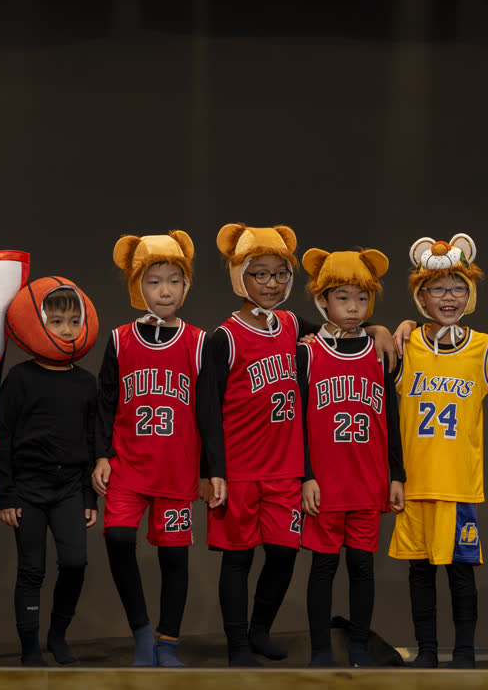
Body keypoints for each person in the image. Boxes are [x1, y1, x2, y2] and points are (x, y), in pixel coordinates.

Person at [200, 224, 403, 667]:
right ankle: (238, 646)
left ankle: (259, 629)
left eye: (280, 274)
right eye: (260, 274)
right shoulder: (225, 337)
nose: (271, 284)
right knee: (237, 559)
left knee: (284, 552)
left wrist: (380, 328)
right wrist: (211, 469)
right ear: (240, 278)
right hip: (239, 467)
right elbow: (207, 409)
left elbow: (344, 325)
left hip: (286, 468)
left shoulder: (293, 325)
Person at [93, 231, 222, 667]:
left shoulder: (198, 342)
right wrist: (100, 455)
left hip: (176, 469)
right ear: (137, 287)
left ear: (186, 286)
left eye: (174, 281)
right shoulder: (120, 339)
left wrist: (211, 470)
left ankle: (168, 643)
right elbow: (105, 402)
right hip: (128, 464)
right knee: (117, 538)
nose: (164, 290)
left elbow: (208, 413)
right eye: (153, 281)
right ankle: (142, 633)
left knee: (174, 557)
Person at [297, 247, 405, 668]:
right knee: (323, 567)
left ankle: (359, 647)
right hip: (325, 483)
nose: (353, 307)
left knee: (362, 566)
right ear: (323, 300)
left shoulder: (379, 352)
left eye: (362, 299)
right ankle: (321, 651)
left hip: (367, 479)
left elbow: (391, 418)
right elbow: (297, 424)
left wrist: (396, 473)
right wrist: (306, 475)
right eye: (343, 298)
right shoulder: (307, 352)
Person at [388, 235, 488, 669]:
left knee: (461, 575)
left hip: (458, 485)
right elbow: (358, 338)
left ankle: (464, 653)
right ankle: (427, 651)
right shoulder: (404, 345)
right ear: (421, 297)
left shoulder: (484, 348)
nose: (449, 297)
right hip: (415, 484)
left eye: (458, 289)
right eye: (438, 289)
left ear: (470, 296)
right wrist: (388, 327)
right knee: (420, 574)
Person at [0, 279, 100, 666]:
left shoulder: (86, 383)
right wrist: (6, 494)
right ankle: (30, 647)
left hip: (69, 488)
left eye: (73, 321)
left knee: (75, 563)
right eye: (56, 321)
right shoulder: (20, 379)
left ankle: (57, 634)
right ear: (39, 324)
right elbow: (2, 438)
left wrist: (89, 496)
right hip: (27, 489)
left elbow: (93, 442)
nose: (66, 329)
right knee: (31, 570)